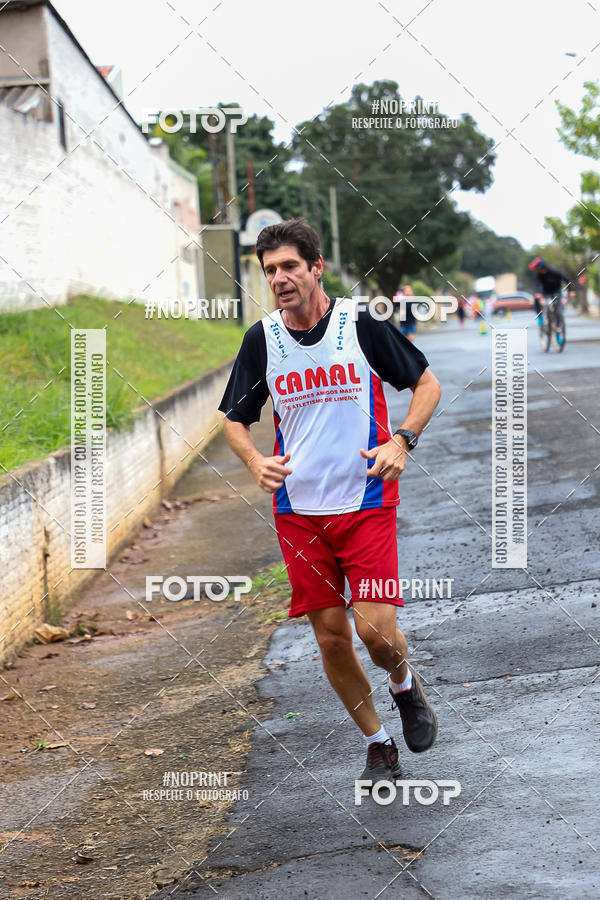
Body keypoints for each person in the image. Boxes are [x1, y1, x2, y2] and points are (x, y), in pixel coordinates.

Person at [218, 218, 442, 787]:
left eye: (290, 266)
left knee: (375, 632)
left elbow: (427, 385)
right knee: (330, 636)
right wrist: (253, 460)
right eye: (269, 270)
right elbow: (234, 421)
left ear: (316, 268)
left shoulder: (360, 325)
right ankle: (377, 742)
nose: (279, 278)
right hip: (298, 511)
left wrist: (402, 440)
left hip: (365, 497)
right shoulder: (261, 341)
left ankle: (404, 685)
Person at [529, 257, 570, 343]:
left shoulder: (554, 271)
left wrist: (571, 291)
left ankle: (558, 334)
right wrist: (538, 294)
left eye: (536, 268)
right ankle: (540, 318)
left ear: (541, 267)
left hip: (556, 291)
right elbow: (537, 285)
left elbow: (566, 280)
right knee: (536, 299)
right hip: (545, 292)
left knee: (559, 310)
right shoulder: (538, 275)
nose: (535, 270)